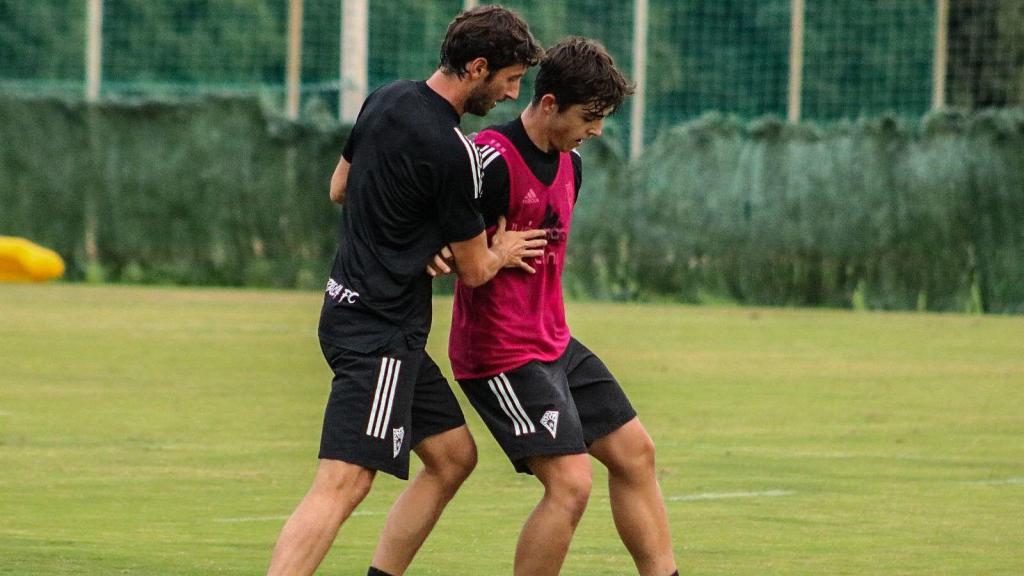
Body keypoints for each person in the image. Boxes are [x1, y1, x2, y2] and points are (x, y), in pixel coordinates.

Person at [266, 6, 545, 576]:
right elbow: (475, 270)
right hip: (380, 332)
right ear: (478, 67)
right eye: (511, 80)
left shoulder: (387, 98)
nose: (514, 95)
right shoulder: (452, 151)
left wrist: (414, 240)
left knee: (452, 457)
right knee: (344, 482)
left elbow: (340, 187)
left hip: (351, 310)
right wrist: (505, 249)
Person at [432, 37, 679, 576]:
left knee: (636, 453)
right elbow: (438, 230)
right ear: (548, 104)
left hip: (554, 343)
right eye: (590, 117)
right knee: (570, 484)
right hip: (499, 354)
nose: (596, 130)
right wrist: (465, 250)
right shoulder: (490, 160)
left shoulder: (573, 166)